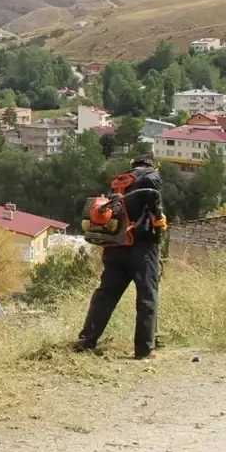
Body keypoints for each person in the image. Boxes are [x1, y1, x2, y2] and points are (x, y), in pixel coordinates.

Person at [75, 154, 168, 361]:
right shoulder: (151, 177)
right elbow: (155, 208)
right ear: (153, 165)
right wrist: (160, 225)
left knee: (105, 296)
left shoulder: (118, 184)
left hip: (115, 247)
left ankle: (86, 340)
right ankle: (144, 350)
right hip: (142, 248)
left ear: (132, 166)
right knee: (147, 297)